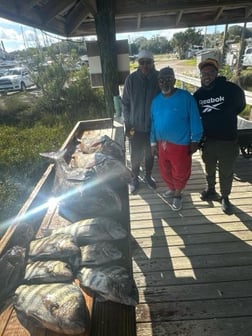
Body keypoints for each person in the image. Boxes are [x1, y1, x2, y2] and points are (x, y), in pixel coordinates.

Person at [193, 58, 246, 214]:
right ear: (201, 76)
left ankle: (225, 197)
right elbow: (195, 115)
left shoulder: (230, 89)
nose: (207, 76)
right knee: (209, 168)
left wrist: (225, 116)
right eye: (204, 73)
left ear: (216, 73)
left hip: (227, 140)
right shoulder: (198, 95)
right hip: (208, 140)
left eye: (210, 72)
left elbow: (240, 105)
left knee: (226, 171)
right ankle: (211, 190)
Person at [150, 67, 203, 211]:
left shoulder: (186, 97)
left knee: (180, 170)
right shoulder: (155, 101)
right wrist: (153, 142)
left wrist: (195, 140)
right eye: (162, 80)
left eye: (168, 79)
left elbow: (195, 119)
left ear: (174, 80)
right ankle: (172, 189)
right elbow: (153, 123)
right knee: (164, 169)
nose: (165, 83)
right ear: (158, 82)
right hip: (162, 144)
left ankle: (178, 194)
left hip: (180, 143)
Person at [122, 50, 160, 194]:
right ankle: (134, 178)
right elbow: (125, 103)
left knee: (150, 153)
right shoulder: (130, 79)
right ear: (138, 63)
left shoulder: (158, 78)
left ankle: (148, 176)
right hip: (135, 126)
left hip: (152, 127)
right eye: (142, 62)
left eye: (148, 62)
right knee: (135, 155)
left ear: (152, 62)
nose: (145, 65)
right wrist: (127, 122)